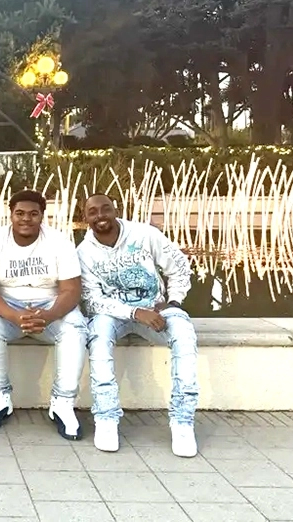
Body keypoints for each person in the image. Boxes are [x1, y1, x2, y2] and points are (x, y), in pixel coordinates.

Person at [78, 193, 199, 457]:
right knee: (97, 335)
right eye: (93, 212)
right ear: (85, 217)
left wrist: (175, 301)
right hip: (114, 315)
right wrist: (134, 313)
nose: (100, 216)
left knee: (184, 333)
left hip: (156, 310)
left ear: (115, 209)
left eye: (105, 209)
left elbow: (179, 266)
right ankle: (106, 417)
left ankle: (182, 419)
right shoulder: (83, 253)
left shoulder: (144, 235)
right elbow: (93, 301)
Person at [0, 189, 88, 439]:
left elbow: (71, 290)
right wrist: (14, 316)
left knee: (76, 328)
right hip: (6, 307)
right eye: (20, 213)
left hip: (49, 307)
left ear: (42, 216)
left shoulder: (59, 242)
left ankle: (63, 402)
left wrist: (48, 315)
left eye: (33, 214)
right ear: (11, 214)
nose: (26, 219)